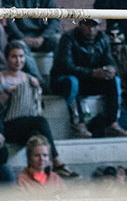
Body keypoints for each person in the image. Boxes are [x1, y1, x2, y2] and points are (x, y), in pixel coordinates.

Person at [0, 41, 76, 178]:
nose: (18, 60)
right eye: (14, 57)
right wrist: (4, 96)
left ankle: (39, 174)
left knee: (35, 136)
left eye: (21, 56)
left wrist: (38, 91)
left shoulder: (30, 79)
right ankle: (57, 161)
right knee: (40, 121)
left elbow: (40, 106)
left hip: (27, 124)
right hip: (8, 125)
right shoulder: (2, 78)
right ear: (7, 58)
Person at [50, 19, 127, 138]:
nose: (91, 29)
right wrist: (92, 73)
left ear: (98, 26)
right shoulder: (68, 38)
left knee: (114, 80)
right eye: (87, 25)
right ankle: (78, 124)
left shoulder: (103, 38)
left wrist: (111, 68)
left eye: (94, 26)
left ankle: (112, 124)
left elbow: (109, 59)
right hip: (65, 80)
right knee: (72, 82)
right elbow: (66, 66)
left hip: (89, 79)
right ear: (80, 25)